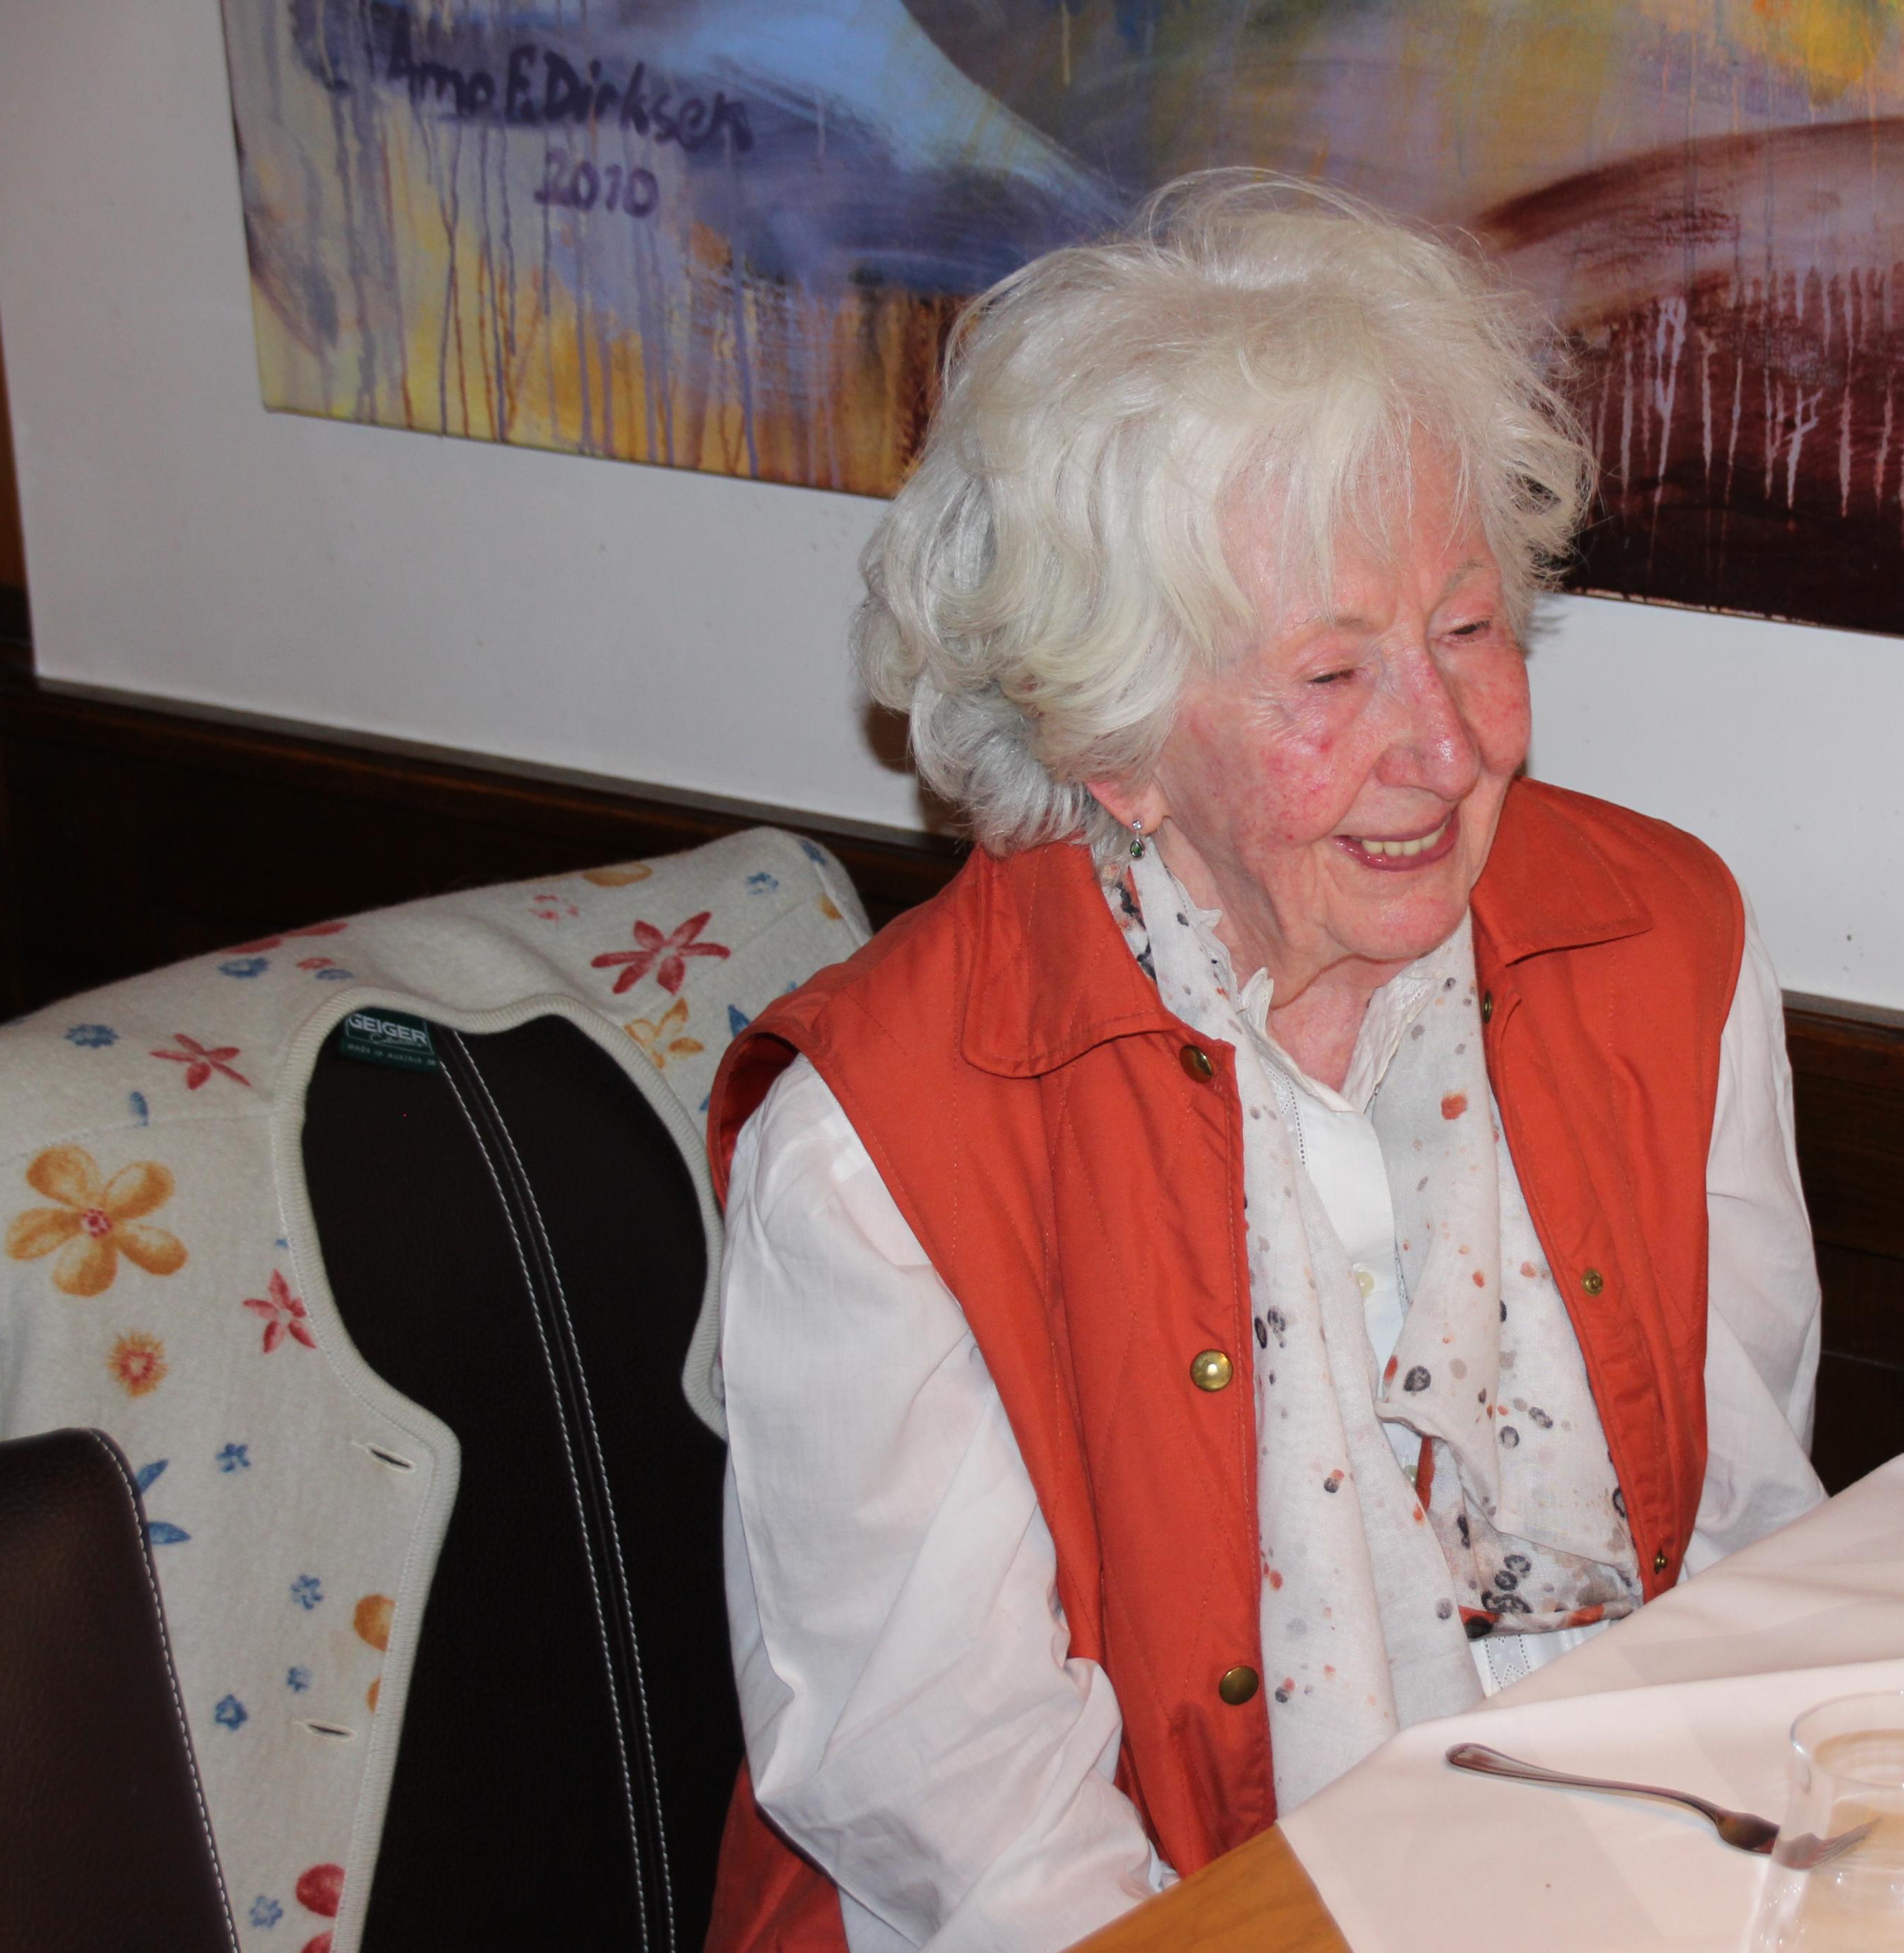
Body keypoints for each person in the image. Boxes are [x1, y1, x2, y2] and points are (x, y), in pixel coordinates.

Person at [702, 172, 1826, 1953]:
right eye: (1328, 675)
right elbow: (966, 1813)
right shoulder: (882, 1142)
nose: (1443, 747)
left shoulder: (1656, 950)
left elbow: (1748, 1551)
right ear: (1115, 743)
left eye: (1466, 630)